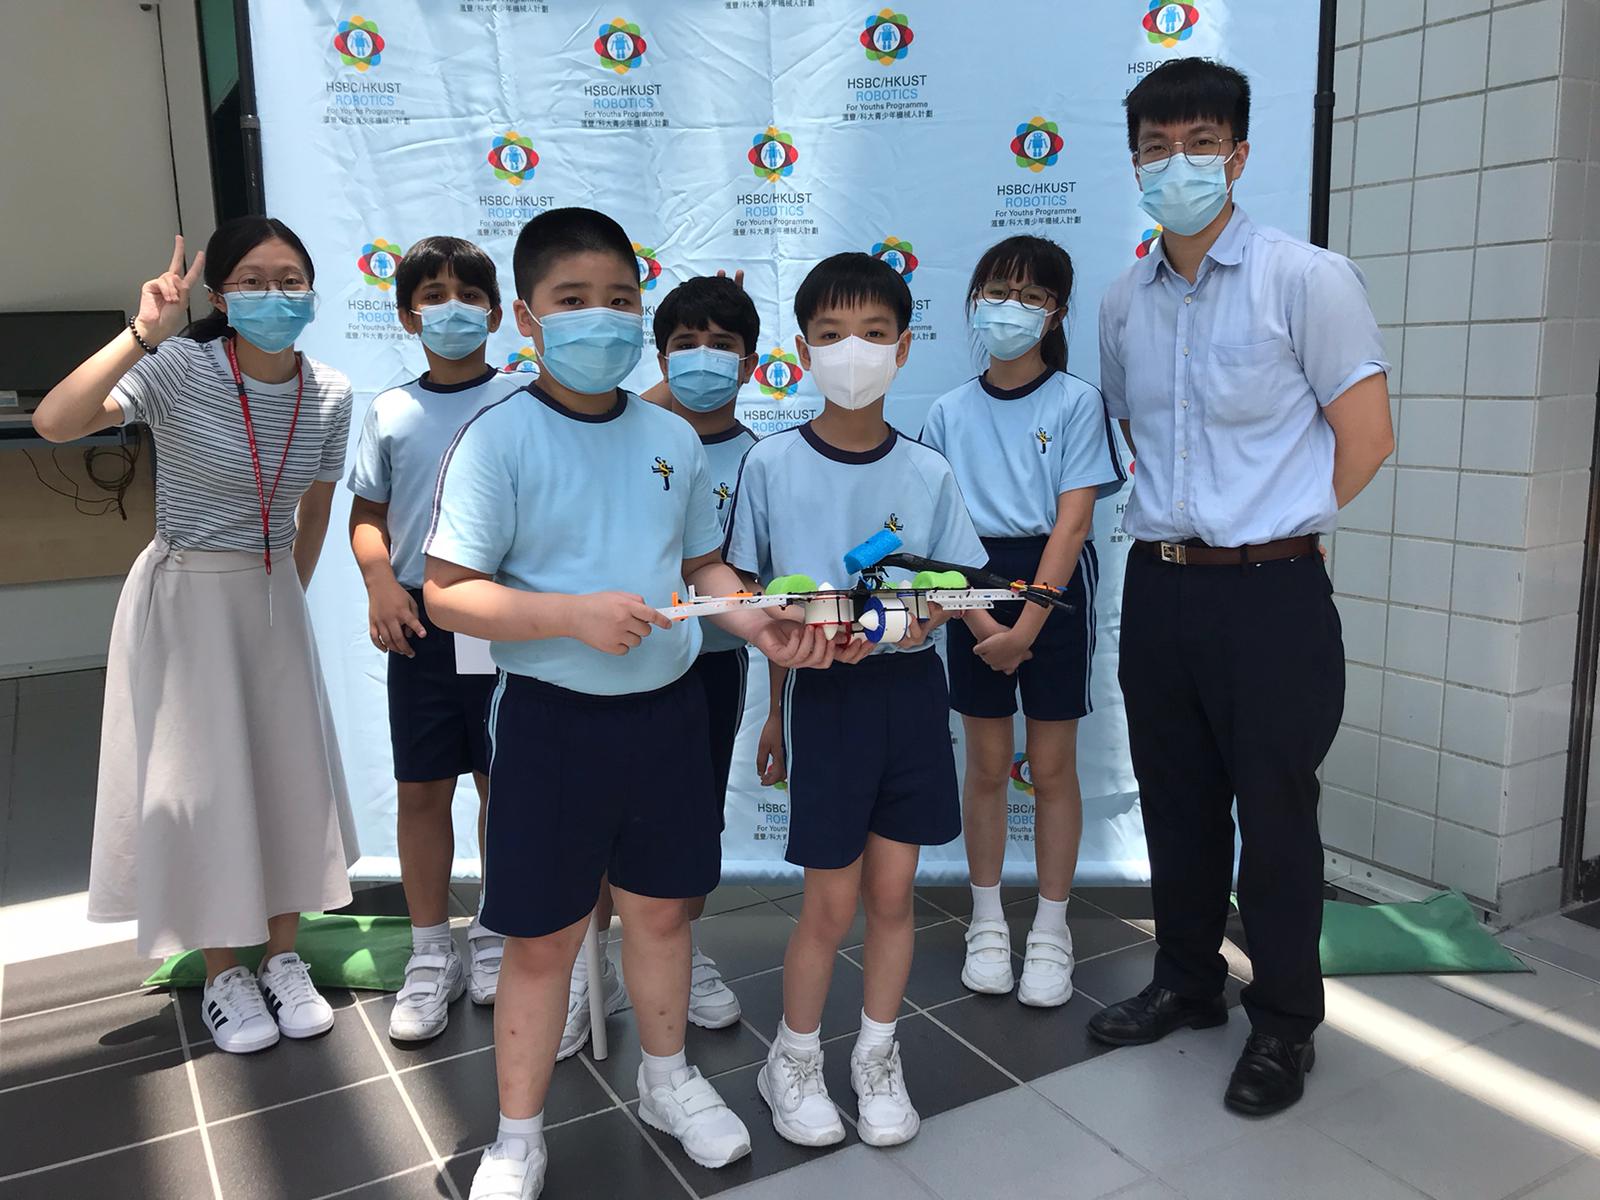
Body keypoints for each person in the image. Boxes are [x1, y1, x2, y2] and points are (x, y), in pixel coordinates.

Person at [422, 207, 832, 1200]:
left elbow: (704, 566)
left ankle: (667, 1079)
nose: (599, 320)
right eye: (573, 300)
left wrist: (761, 624)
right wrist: (570, 615)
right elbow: (446, 592)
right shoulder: (498, 436)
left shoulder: (670, 437)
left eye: (618, 300)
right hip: (550, 723)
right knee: (543, 939)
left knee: (661, 916)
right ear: (528, 317)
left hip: (668, 717)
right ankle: (517, 1137)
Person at [1091, 58, 1393, 1116]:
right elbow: (1133, 432)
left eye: (1200, 143)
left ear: (1240, 154)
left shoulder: (1306, 279)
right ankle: (1187, 981)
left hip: (1271, 596)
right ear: (1135, 163)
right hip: (1159, 585)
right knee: (1175, 803)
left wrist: (1280, 528)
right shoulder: (1122, 301)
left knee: (1273, 818)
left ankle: (1284, 1022)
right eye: (1156, 147)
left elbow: (1366, 438)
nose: (1177, 164)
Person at [33, 219, 359, 1055]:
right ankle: (223, 974)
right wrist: (145, 330)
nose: (275, 295)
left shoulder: (330, 391)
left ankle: (283, 958)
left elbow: (316, 508)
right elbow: (57, 422)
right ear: (220, 295)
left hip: (271, 595)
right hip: (186, 597)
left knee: (286, 774)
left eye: (291, 279)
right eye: (253, 280)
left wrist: (285, 596)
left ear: (313, 290)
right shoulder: (180, 367)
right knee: (203, 784)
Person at [725, 252, 986, 1150]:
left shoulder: (928, 471)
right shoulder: (770, 464)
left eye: (874, 334)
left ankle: (877, 1054)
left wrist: (921, 622)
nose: (853, 351)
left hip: (910, 699)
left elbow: (955, 587)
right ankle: (793, 1058)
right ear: (801, 350)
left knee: (894, 894)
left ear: (904, 348)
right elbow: (758, 604)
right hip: (824, 705)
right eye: (832, 334)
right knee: (829, 904)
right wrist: (775, 706)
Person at [922, 236, 1124, 1007]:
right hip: (970, 583)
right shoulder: (948, 412)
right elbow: (941, 536)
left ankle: (1050, 928)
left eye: (1032, 296)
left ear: (1056, 313)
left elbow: (1073, 525)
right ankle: (986, 922)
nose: (1012, 308)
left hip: (1053, 584)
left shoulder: (1076, 402)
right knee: (983, 764)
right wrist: (982, 624)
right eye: (998, 292)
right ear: (974, 301)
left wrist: (1026, 628)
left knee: (1051, 766)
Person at [347, 235, 521, 1042]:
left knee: (499, 781)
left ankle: (494, 932)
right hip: (420, 616)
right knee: (422, 787)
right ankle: (428, 951)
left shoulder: (524, 399)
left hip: (494, 615)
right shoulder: (390, 411)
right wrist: (380, 582)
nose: (453, 309)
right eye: (433, 295)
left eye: (468, 295)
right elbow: (368, 516)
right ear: (407, 314)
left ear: (497, 311)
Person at [645, 274, 761, 1030]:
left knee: (695, 818)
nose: (703, 358)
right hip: (628, 661)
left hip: (716, 662)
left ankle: (683, 951)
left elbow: (760, 583)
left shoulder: (762, 458)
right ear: (660, 358)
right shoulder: (638, 435)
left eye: (722, 346)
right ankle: (594, 967)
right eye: (686, 345)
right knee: (610, 816)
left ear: (750, 363)